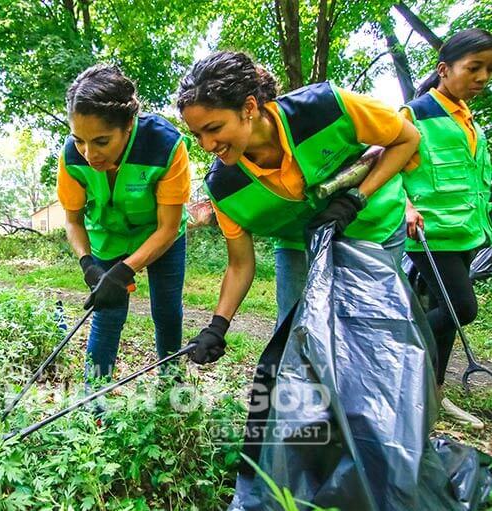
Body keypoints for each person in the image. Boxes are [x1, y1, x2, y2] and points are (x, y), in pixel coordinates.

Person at [175, 51, 420, 365]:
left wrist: (355, 198)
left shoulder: (326, 107)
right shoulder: (224, 186)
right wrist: (217, 326)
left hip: (376, 226)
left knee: (368, 329)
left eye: (214, 128)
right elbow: (240, 265)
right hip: (299, 242)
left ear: (248, 107)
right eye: (198, 135)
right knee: (297, 338)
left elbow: (407, 138)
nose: (207, 145)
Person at [57, 64, 191, 388]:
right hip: (107, 238)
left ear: (128, 125)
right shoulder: (71, 157)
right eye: (80, 141)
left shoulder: (166, 145)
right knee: (107, 313)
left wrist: (127, 269)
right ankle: (95, 400)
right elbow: (73, 221)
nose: (89, 154)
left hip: (160, 236)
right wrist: (88, 264)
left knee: (167, 312)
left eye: (101, 141)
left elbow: (168, 227)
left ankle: (170, 386)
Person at [401, 28, 492, 430]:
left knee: (448, 317)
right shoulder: (414, 114)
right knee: (461, 309)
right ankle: (393, 355)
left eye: (488, 70)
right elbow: (385, 169)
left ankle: (432, 397)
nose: (483, 78)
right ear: (444, 69)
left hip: (466, 233)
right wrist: (404, 206)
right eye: (474, 68)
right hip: (428, 233)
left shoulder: (472, 124)